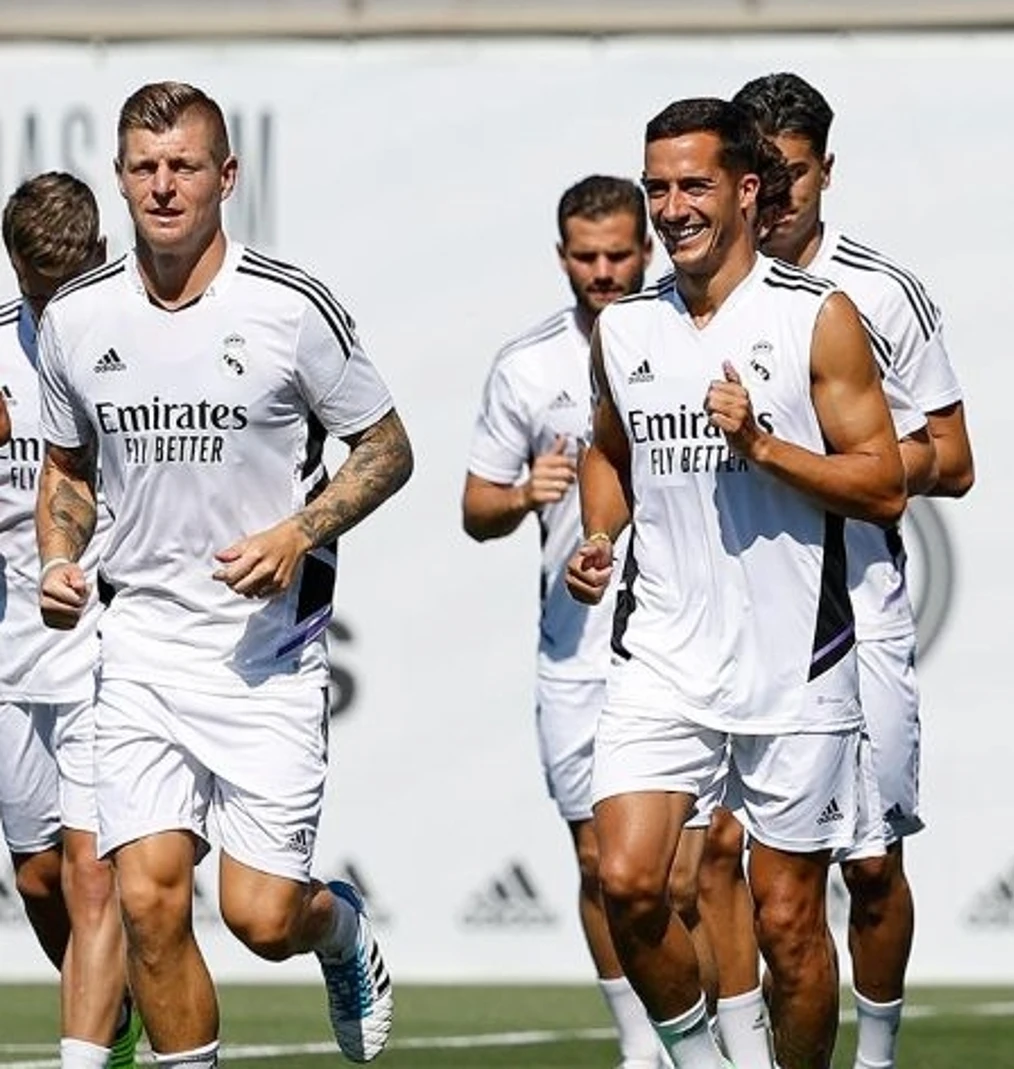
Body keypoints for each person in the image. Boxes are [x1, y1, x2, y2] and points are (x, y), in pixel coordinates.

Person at [34, 82, 407, 1067]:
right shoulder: (75, 318)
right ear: (120, 178)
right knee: (148, 899)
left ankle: (338, 930)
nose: (164, 186)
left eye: (184, 166)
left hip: (264, 660)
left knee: (259, 915)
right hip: (143, 653)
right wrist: (61, 558)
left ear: (226, 176)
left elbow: (386, 450)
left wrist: (298, 531)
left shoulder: (289, 309)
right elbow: (67, 469)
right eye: (145, 167)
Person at [567, 96, 904, 1069]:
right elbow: (607, 451)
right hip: (662, 649)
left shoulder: (816, 317)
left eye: (692, 186)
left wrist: (760, 442)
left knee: (791, 924)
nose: (670, 208)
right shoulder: (625, 328)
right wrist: (597, 532)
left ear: (747, 190)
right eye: (657, 187)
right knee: (627, 881)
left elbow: (883, 484)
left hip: (796, 658)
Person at [715, 69, 973, 1069]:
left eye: (794, 176)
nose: (775, 198)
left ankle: (878, 1053)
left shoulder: (879, 294)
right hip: (725, 618)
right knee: (718, 860)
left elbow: (952, 458)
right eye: (759, 176)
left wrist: (847, 464)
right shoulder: (691, 296)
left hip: (854, 611)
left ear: (826, 170)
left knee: (867, 866)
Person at [462, 175, 678, 1069]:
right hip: (575, 651)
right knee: (598, 863)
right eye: (585, 257)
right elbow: (475, 506)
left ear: (648, 249)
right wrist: (524, 493)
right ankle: (640, 1046)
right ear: (562, 257)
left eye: (619, 255)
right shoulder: (527, 365)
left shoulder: (691, 338)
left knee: (697, 869)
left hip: (680, 642)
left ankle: (720, 1037)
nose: (602, 272)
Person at [2, 172, 141, 1069]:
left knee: (97, 881)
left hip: (107, 645)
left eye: (67, 284)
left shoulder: (138, 337)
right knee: (41, 880)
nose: (52, 307)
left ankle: (92, 1055)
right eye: (34, 288)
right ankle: (119, 1016)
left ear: (97, 255)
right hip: (12, 656)